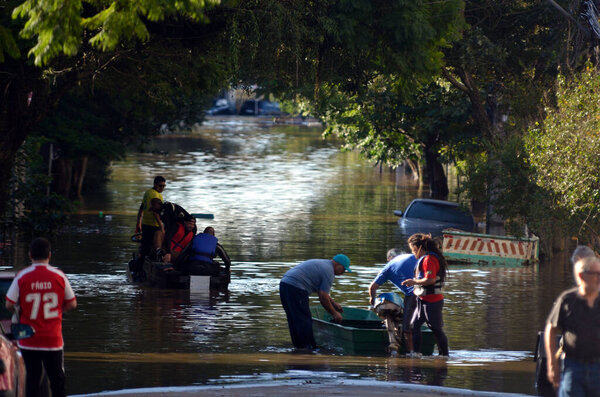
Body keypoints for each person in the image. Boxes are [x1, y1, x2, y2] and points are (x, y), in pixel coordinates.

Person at [5, 237, 77, 397]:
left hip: (29, 339)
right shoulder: (59, 275)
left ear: (30, 255)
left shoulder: (22, 276)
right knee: (57, 381)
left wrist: (20, 312)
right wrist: (59, 311)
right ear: (49, 255)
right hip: (53, 339)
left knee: (32, 381)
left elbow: (9, 304)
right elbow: (72, 304)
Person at [544, 255, 600, 396]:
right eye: (596, 274)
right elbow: (551, 329)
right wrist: (552, 364)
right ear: (582, 276)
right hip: (574, 367)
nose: (599, 278)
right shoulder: (567, 300)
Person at [279, 254, 351, 350]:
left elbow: (321, 292)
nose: (343, 272)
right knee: (304, 320)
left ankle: (298, 347)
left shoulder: (323, 264)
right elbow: (322, 297)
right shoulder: (329, 272)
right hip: (296, 288)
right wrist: (334, 313)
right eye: (344, 269)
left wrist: (334, 304)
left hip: (284, 284)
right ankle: (308, 349)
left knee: (294, 319)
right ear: (338, 265)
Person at [402, 233, 449, 357]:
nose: (413, 253)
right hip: (422, 299)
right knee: (414, 325)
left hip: (432, 300)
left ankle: (444, 355)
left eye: (413, 250)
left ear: (418, 248)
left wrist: (413, 281)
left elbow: (430, 280)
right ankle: (416, 353)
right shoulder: (426, 258)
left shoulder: (429, 259)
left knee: (436, 328)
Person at [369, 248, 418, 354]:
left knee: (407, 327)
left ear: (389, 258)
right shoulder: (412, 255)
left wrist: (372, 300)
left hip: (413, 294)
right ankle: (443, 353)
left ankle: (411, 354)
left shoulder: (389, 266)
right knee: (422, 323)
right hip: (430, 290)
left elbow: (372, 287)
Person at [135, 176, 166, 259]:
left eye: (164, 186)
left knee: (145, 248)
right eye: (160, 186)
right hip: (154, 226)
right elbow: (155, 212)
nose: (162, 188)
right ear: (155, 184)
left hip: (145, 224)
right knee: (154, 248)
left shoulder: (147, 193)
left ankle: (139, 265)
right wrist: (161, 227)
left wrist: (138, 223)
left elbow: (141, 208)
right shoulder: (155, 195)